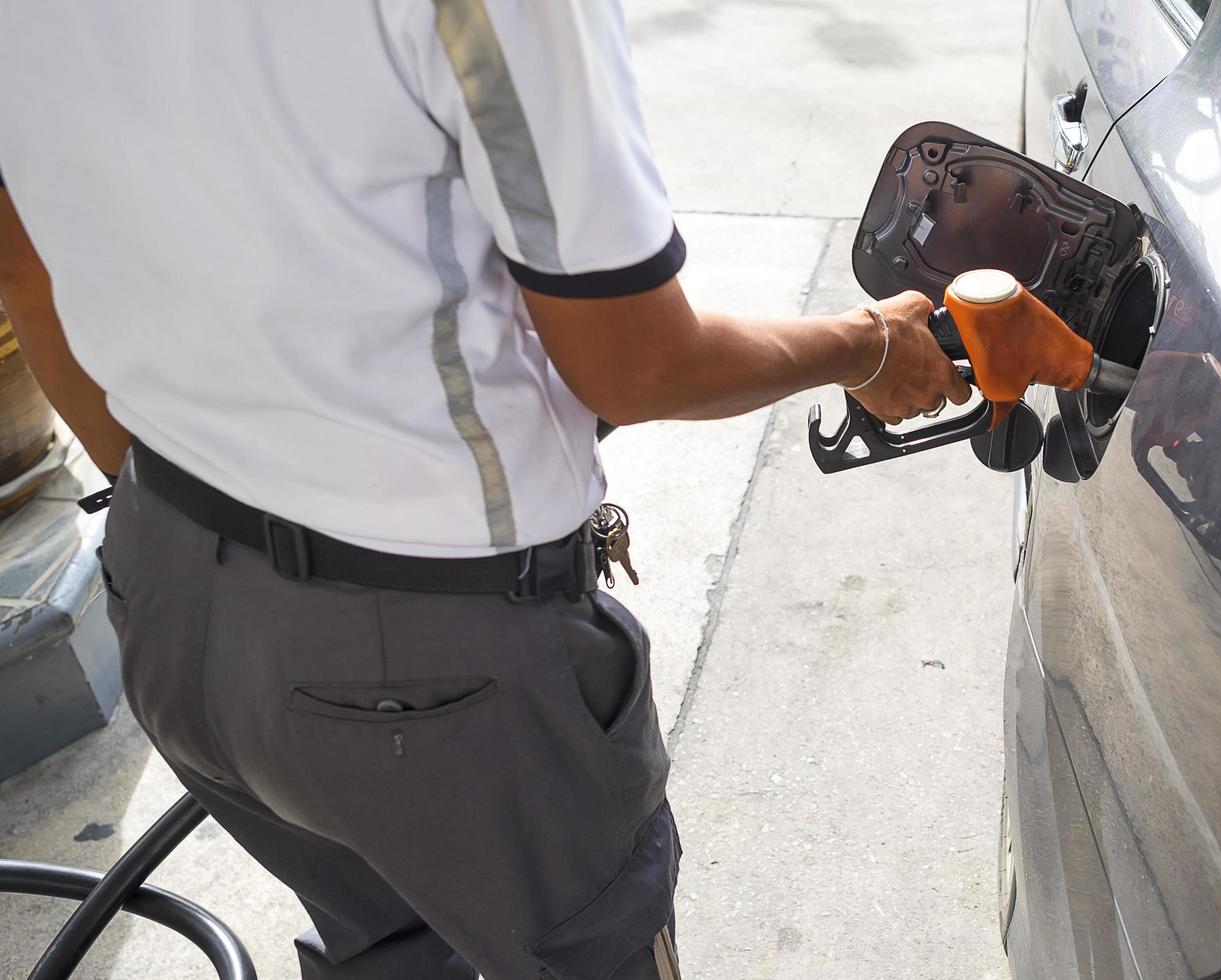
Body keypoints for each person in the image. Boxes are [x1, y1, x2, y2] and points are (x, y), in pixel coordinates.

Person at [0, 3, 970, 977]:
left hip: (165, 588)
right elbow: (636, 363)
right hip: (429, 665)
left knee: (383, 945)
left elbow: (25, 265)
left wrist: (191, 506)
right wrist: (867, 346)